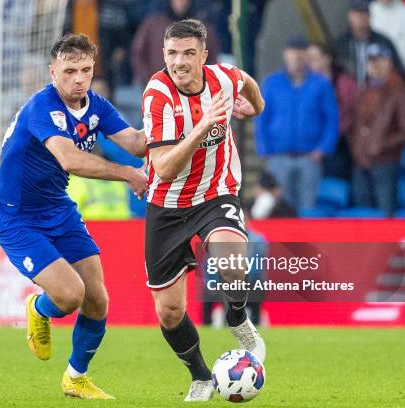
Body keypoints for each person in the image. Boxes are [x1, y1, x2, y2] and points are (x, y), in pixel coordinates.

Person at [0, 33, 147, 400]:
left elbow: (137, 143)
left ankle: (76, 377)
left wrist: (185, 127)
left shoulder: (97, 106)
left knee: (98, 300)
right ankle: (37, 308)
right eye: (70, 70)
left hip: (57, 207)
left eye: (86, 70)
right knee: (70, 295)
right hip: (17, 217)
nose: (79, 78)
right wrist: (128, 174)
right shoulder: (41, 107)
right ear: (53, 72)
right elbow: (71, 159)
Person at [142, 19, 265, 401]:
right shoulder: (157, 95)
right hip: (168, 203)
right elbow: (163, 168)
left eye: (188, 54)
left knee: (232, 257)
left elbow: (244, 79)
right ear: (164, 55)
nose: (179, 62)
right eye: (173, 54)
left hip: (216, 192)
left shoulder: (222, 79)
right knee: (170, 312)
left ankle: (237, 317)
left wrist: (255, 106)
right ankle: (200, 376)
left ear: (203, 56)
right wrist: (203, 125)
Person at [255, 36, 339, 211]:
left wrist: (322, 149)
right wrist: (265, 149)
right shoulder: (272, 83)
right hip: (279, 156)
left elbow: (331, 119)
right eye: (293, 55)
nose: (297, 59)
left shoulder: (321, 84)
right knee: (282, 208)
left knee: (307, 207)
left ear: (307, 57)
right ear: (286, 56)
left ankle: (306, 240)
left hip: (309, 157)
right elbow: (261, 118)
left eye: (301, 55)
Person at [348, 43, 405, 216]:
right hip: (361, 161)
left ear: (389, 62)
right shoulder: (365, 91)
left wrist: (381, 145)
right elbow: (356, 125)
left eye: (379, 60)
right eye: (371, 61)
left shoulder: (398, 90)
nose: (375, 64)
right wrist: (357, 147)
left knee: (386, 214)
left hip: (385, 161)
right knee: (363, 216)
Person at [131, 0, 220, 86]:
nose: (182, 2)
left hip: (191, 91)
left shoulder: (202, 28)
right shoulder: (153, 24)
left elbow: (211, 56)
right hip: (159, 86)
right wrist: (146, 79)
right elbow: (138, 52)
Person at [307, 42, 359, 181]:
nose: (310, 63)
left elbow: (353, 113)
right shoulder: (305, 85)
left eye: (314, 58)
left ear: (327, 58)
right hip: (311, 146)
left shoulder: (345, 84)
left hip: (340, 145)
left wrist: (328, 138)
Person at [335, 0, 405, 88]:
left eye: (365, 13)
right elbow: (336, 77)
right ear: (349, 16)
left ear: (370, 16)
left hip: (382, 94)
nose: (361, 17)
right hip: (353, 97)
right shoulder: (341, 45)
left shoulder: (383, 41)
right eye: (357, 14)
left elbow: (401, 72)